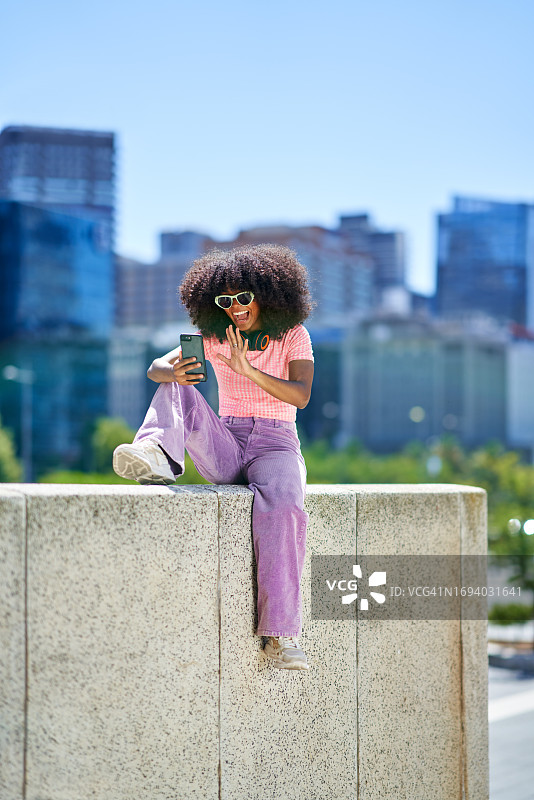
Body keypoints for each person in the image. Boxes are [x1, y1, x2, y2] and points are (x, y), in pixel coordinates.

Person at [113, 243, 315, 670]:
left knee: (285, 509)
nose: (235, 307)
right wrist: (175, 372)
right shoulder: (214, 335)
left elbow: (300, 397)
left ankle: (280, 636)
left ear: (267, 294)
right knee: (177, 387)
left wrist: (250, 371)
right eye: (225, 301)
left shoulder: (293, 334)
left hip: (276, 443)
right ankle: (156, 454)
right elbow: (154, 367)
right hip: (227, 439)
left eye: (243, 297)